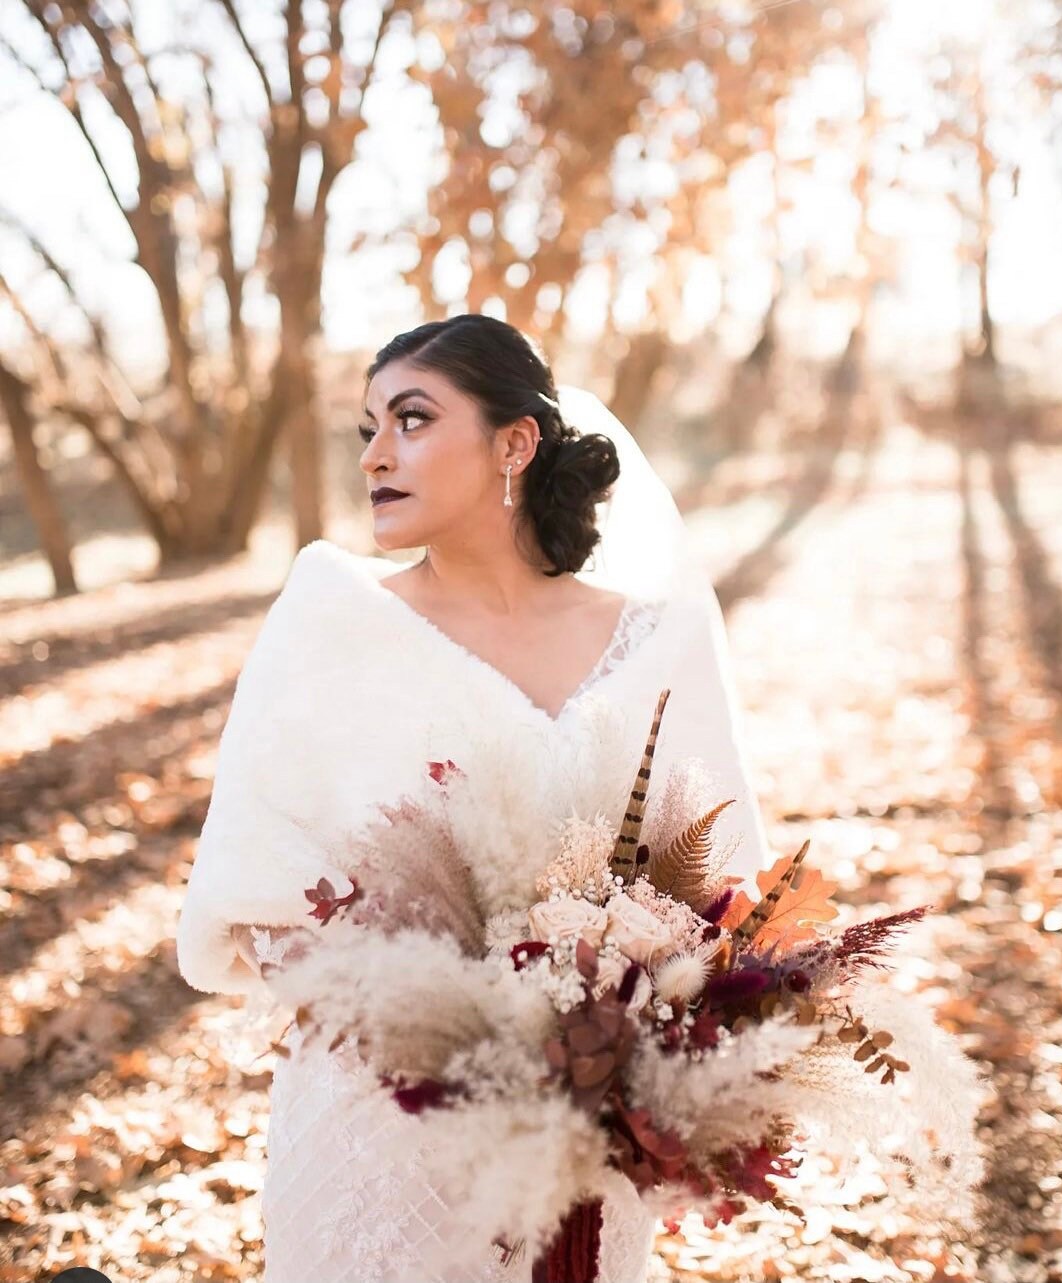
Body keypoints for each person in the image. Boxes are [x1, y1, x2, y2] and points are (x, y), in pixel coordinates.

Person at [175, 313, 771, 1282]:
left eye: (411, 419)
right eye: (367, 426)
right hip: (380, 1113)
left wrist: (615, 1031)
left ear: (514, 443)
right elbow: (256, 867)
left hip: (591, 1125)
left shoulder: (658, 639)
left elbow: (720, 885)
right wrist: (444, 1011)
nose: (374, 454)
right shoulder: (333, 615)